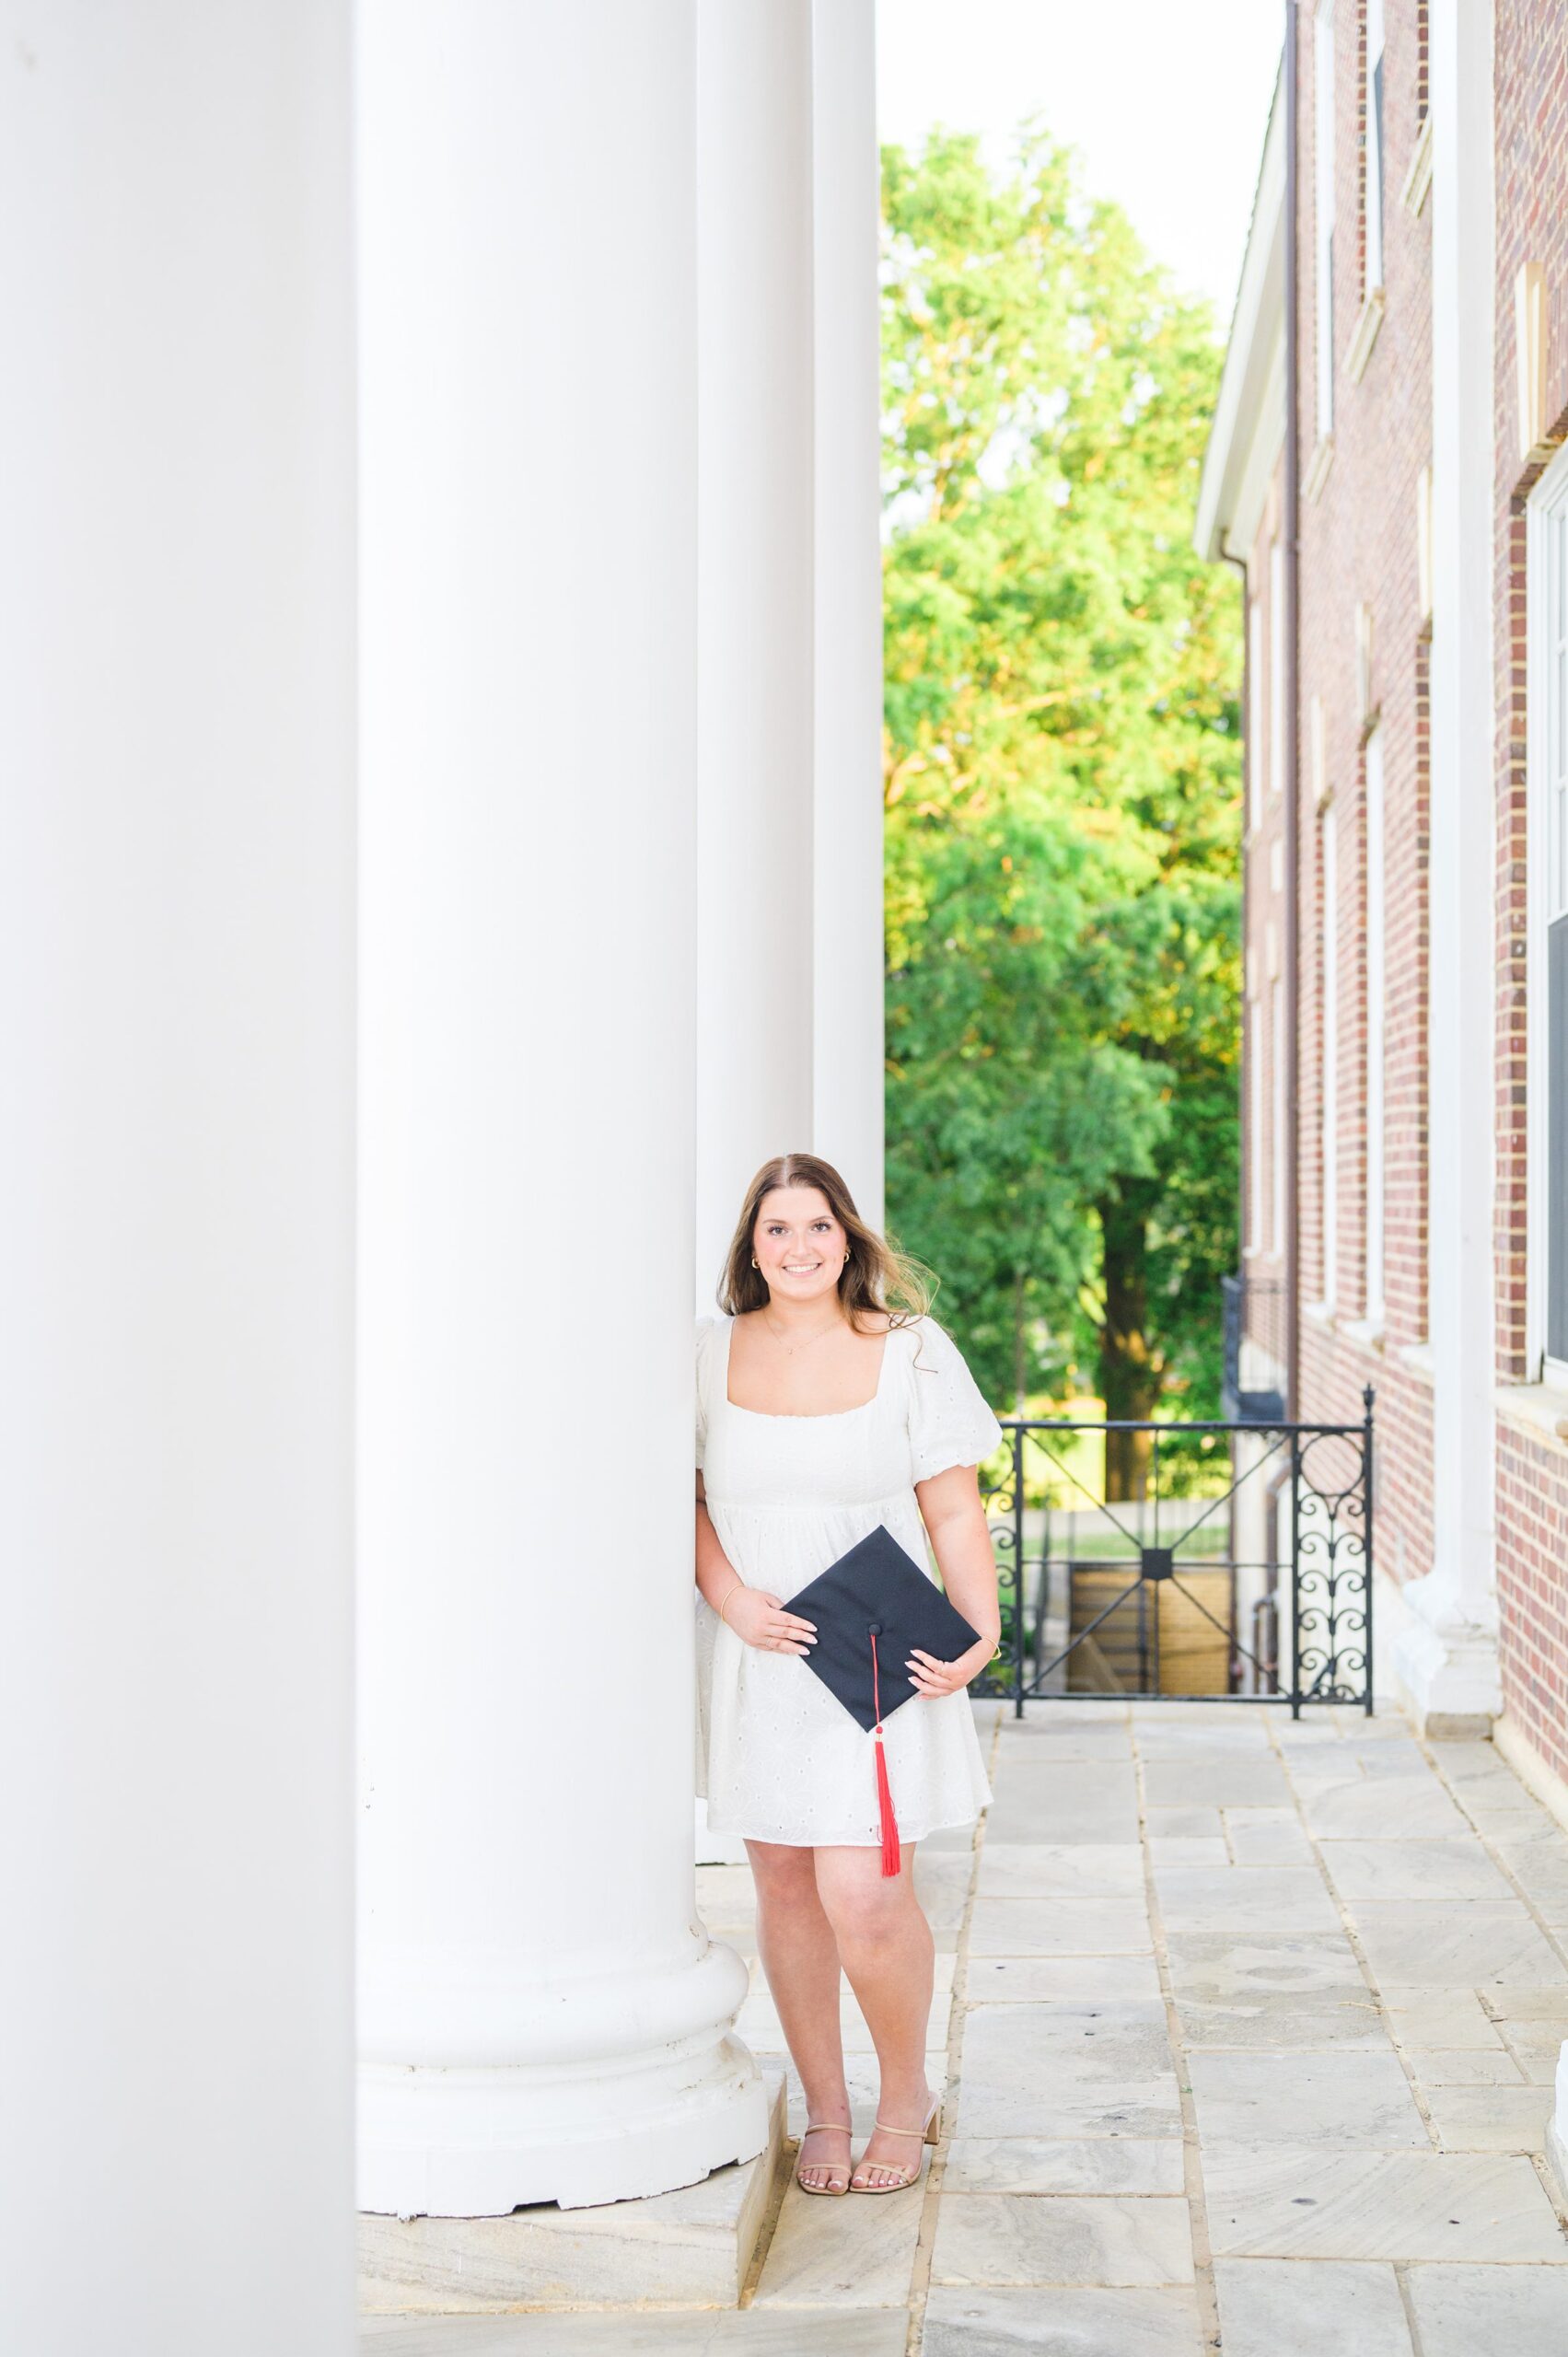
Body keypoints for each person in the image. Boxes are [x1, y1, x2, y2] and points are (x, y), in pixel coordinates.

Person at [694, 1152, 1002, 2197]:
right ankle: (825, 2108)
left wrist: (981, 1627)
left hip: (872, 1652)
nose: (798, 1247)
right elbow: (682, 1500)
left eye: (816, 1226)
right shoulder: (704, 1355)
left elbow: (952, 1505)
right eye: (775, 1229)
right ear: (750, 1247)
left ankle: (904, 2093)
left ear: (848, 1236)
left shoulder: (907, 1350)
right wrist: (734, 1601)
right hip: (762, 1660)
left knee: (863, 1896)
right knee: (782, 1884)